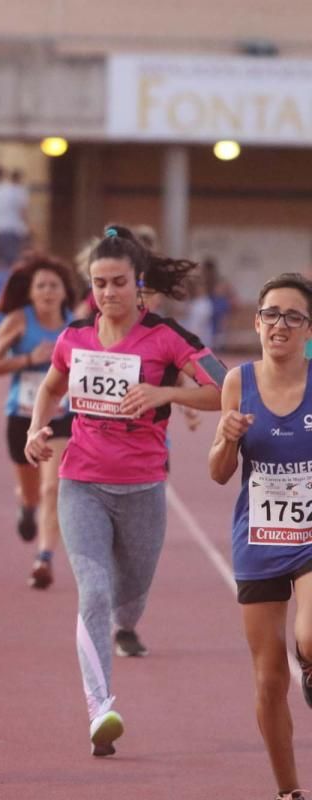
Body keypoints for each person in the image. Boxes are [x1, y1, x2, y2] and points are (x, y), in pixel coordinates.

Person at [24, 225, 226, 757]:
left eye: (117, 283)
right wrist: (35, 430)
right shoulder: (74, 337)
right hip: (81, 483)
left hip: (142, 489)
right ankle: (100, 709)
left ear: (139, 284)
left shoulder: (165, 337)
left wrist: (162, 391)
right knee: (93, 591)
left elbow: (223, 387)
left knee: (130, 596)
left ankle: (126, 625)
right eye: (98, 284)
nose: (107, 294)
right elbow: (49, 387)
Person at [210, 273, 312, 800]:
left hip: (311, 537)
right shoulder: (237, 383)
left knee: (311, 634)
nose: (280, 325)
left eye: (293, 316)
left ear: (308, 330)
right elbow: (218, 472)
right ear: (256, 322)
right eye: (271, 314)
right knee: (270, 680)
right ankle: (289, 790)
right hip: (259, 535)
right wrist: (227, 438)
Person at [0, 253, 77, 589]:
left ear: (65, 292)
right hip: (21, 416)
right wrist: (28, 358)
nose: (48, 291)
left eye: (54, 285)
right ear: (32, 293)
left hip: (62, 415)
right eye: (42, 286)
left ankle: (44, 558)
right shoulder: (17, 322)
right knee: (33, 492)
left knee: (55, 487)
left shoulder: (74, 325)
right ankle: (25, 505)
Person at [0, 168, 30, 267]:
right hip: (13, 229)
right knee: (13, 261)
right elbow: (22, 212)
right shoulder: (19, 191)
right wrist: (28, 227)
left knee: (3, 260)